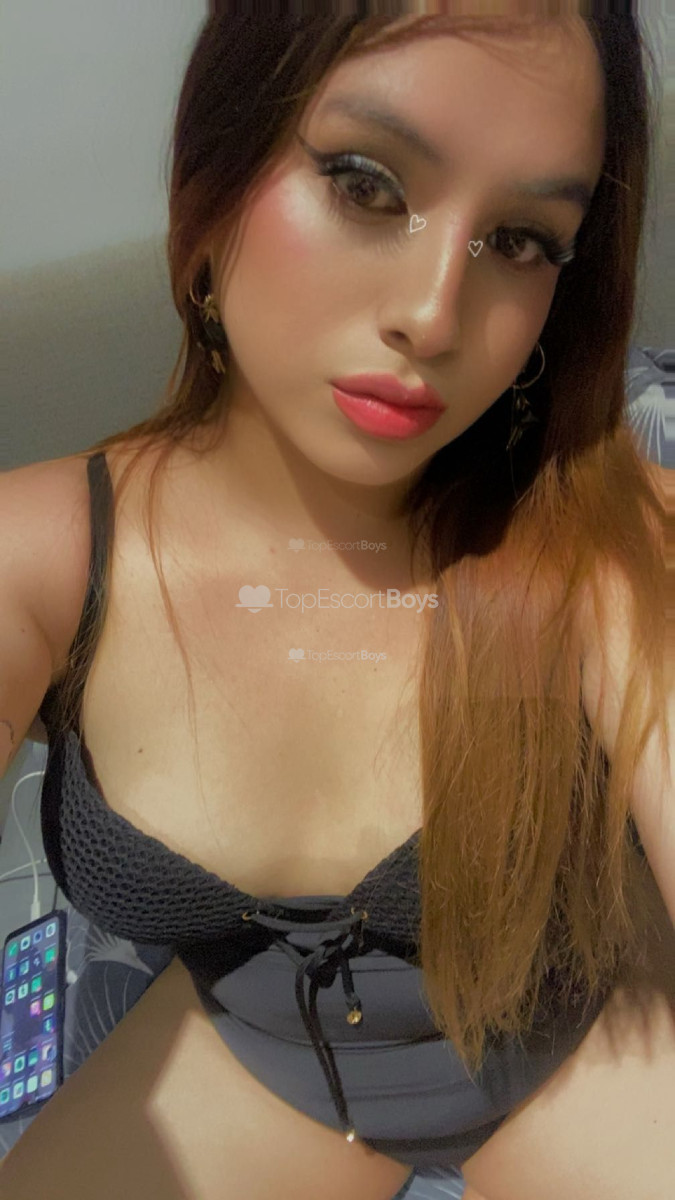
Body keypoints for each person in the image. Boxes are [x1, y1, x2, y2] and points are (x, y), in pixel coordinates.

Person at [2, 7, 673, 1199]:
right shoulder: (45, 554)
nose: (434, 313)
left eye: (520, 240)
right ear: (215, 173)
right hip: (261, 1066)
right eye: (367, 184)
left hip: (584, 1050)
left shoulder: (610, 545)